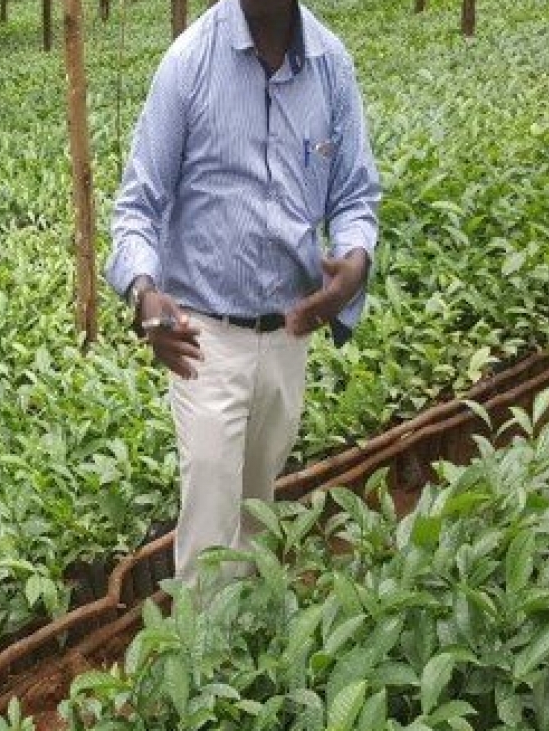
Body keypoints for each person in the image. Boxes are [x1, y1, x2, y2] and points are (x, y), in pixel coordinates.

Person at [106, 0, 381, 584]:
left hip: (289, 333)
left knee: (258, 511)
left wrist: (355, 262)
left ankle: (250, 652)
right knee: (209, 528)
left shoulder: (331, 65)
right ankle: (201, 662)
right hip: (204, 337)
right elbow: (138, 205)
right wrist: (144, 293)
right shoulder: (190, 62)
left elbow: (355, 195)